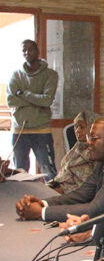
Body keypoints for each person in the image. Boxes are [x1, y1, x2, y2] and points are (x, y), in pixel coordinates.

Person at [15, 116, 104, 222]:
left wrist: (41, 212)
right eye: (89, 137)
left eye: (94, 138)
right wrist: (43, 203)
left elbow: (96, 209)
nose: (88, 142)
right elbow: (82, 194)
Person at [6, 39, 59, 180]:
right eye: (24, 50)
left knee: (49, 171)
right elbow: (10, 101)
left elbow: (46, 100)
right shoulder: (16, 75)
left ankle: (52, 195)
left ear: (38, 51)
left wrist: (23, 94)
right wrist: (36, 99)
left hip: (41, 130)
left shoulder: (50, 74)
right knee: (19, 173)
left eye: (30, 49)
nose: (27, 52)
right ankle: (23, 195)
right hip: (19, 130)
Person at [46, 111, 97, 194]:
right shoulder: (78, 147)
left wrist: (62, 190)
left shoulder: (96, 152)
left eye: (82, 127)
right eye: (76, 126)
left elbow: (87, 187)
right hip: (58, 187)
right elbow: (64, 173)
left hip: (76, 193)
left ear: (93, 128)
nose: (77, 131)